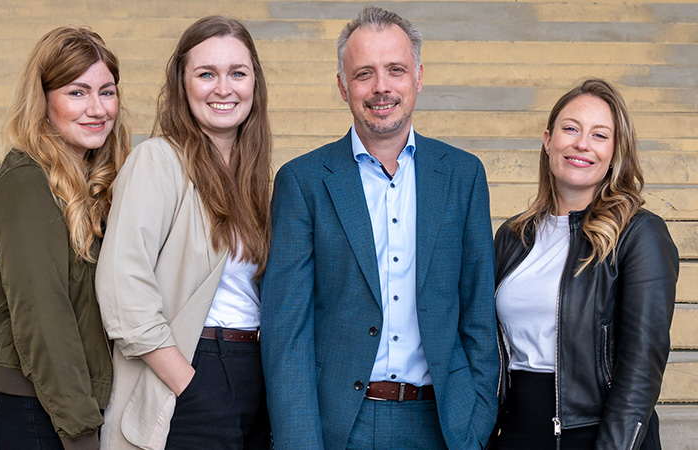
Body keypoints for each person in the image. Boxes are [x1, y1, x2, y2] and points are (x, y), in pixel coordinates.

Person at [261, 6, 499, 450]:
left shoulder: (463, 175)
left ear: (419, 77)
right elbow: (286, 331)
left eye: (395, 70)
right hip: (339, 427)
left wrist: (477, 418)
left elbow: (478, 314)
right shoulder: (303, 181)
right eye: (364, 74)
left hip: (443, 424)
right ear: (341, 85)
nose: (381, 87)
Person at [94, 16, 272, 450]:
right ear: (182, 83)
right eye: (206, 74)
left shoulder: (254, 179)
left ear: (254, 83)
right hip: (191, 369)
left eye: (237, 73)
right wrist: (188, 385)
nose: (223, 88)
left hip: (254, 372)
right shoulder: (158, 161)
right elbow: (122, 288)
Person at [0, 26, 129, 450]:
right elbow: (43, 316)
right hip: (23, 413)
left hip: (62, 407)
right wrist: (80, 434)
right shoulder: (27, 182)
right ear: (44, 100)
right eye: (77, 92)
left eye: (106, 91)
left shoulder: (93, 181)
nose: (97, 108)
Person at [492, 78, 679, 450]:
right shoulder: (514, 236)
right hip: (517, 430)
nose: (582, 144)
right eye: (571, 129)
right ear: (548, 140)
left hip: (594, 432)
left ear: (614, 152)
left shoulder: (639, 233)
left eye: (599, 135)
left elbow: (642, 366)